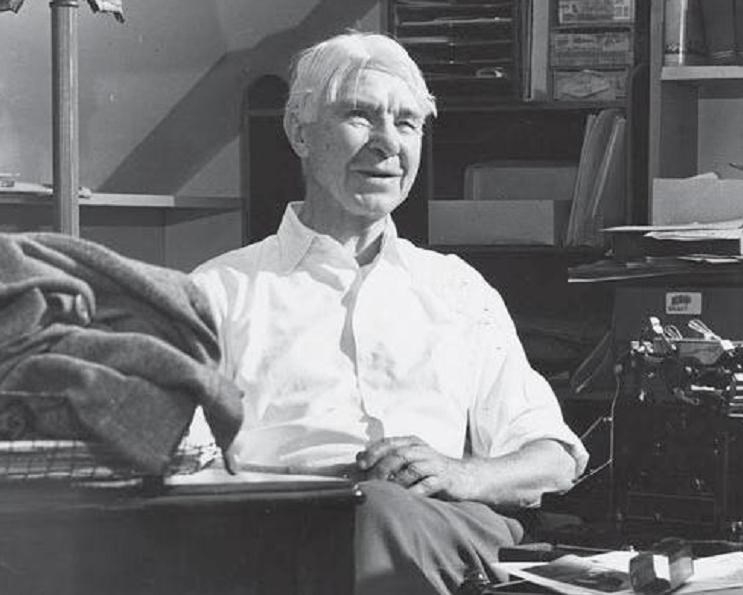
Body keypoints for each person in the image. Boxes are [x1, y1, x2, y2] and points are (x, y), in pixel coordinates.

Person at [189, 31, 589, 594]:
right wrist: (307, 484)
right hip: (276, 529)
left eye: (406, 123)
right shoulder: (220, 290)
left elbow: (553, 457)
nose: (387, 144)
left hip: (438, 525)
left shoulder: (456, 289)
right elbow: (179, 467)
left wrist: (461, 473)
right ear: (299, 132)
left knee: (374, 513)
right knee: (356, 517)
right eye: (360, 115)